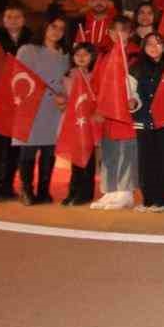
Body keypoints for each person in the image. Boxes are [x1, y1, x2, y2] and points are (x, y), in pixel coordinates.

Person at [15, 16, 70, 205]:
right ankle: (26, 190)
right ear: (45, 26)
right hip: (32, 107)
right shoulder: (27, 50)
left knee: (49, 151)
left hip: (55, 109)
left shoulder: (65, 55)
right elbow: (20, 77)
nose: (57, 31)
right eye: (53, 26)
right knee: (28, 150)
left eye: (61, 28)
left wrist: (65, 97)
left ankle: (44, 191)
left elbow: (67, 82)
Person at [0, 3, 34, 200]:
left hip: (22, 100)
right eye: (9, 17)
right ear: (3, 20)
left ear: (23, 20)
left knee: (15, 145)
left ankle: (8, 185)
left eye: (17, 17)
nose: (13, 20)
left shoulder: (32, 38)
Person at [90, 36, 141, 211]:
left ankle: (125, 193)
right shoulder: (105, 58)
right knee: (110, 154)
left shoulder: (136, 58)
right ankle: (110, 190)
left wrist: (134, 101)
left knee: (126, 155)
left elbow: (138, 91)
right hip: (109, 116)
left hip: (126, 118)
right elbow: (97, 85)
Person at [131, 32, 164, 211]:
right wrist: (133, 102)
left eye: (158, 43)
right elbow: (131, 93)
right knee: (146, 161)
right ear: (143, 47)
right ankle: (149, 200)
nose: (153, 47)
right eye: (149, 43)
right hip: (144, 119)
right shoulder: (135, 68)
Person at [60, 42, 100, 206]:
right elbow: (64, 97)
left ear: (92, 57)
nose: (81, 58)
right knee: (75, 159)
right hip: (74, 122)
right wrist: (61, 100)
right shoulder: (68, 76)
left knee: (88, 159)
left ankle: (85, 193)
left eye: (85, 54)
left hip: (90, 123)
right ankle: (73, 191)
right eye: (77, 54)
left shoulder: (96, 75)